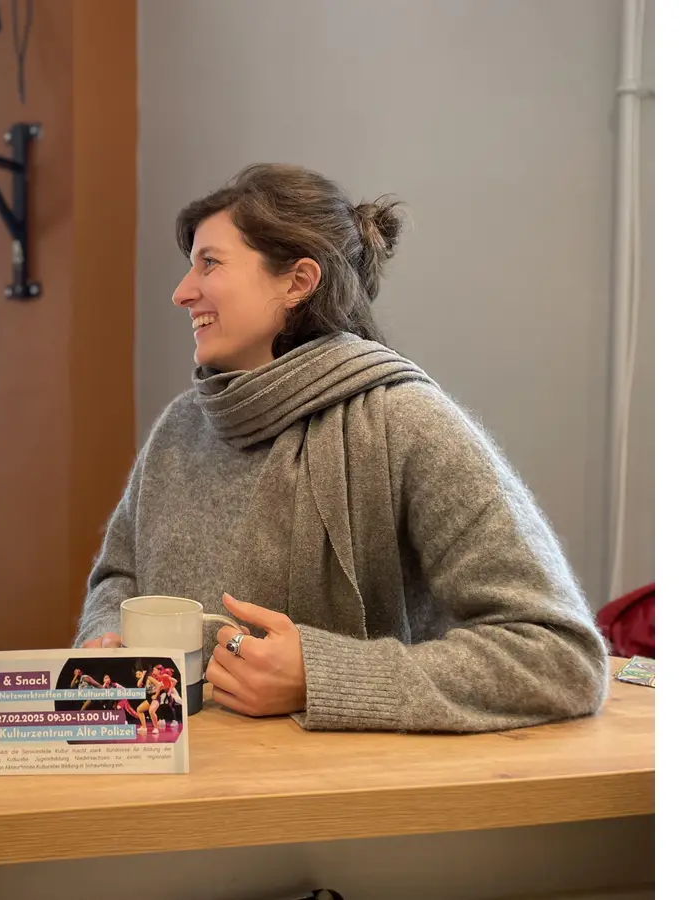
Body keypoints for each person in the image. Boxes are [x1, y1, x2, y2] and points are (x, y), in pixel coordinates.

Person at [75, 164, 607, 734]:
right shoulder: (179, 428)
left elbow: (560, 656)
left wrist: (321, 675)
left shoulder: (404, 421)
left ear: (298, 282)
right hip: (167, 793)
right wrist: (103, 637)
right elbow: (119, 575)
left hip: (334, 810)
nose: (182, 292)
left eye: (210, 262)